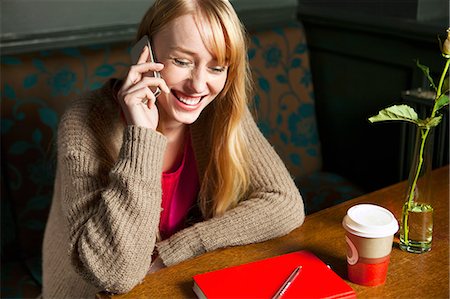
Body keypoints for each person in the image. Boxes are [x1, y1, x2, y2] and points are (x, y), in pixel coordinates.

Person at [42, 0, 305, 297]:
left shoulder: (220, 108)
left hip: (175, 276)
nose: (198, 85)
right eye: (182, 61)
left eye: (217, 67)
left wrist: (177, 250)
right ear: (144, 52)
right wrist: (140, 134)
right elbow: (115, 274)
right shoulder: (84, 121)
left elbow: (285, 203)